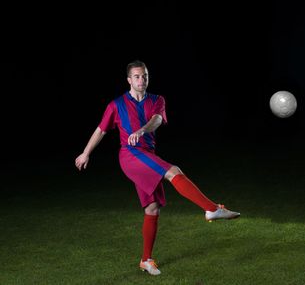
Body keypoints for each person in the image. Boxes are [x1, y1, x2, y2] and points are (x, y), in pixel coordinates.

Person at [75, 60, 240, 276]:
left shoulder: (157, 100)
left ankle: (146, 260)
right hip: (130, 155)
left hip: (147, 155)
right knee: (174, 171)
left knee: (152, 209)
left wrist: (142, 130)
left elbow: (157, 120)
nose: (141, 80)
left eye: (144, 76)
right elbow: (101, 130)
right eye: (136, 76)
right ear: (128, 80)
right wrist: (86, 152)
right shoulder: (116, 105)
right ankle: (211, 209)